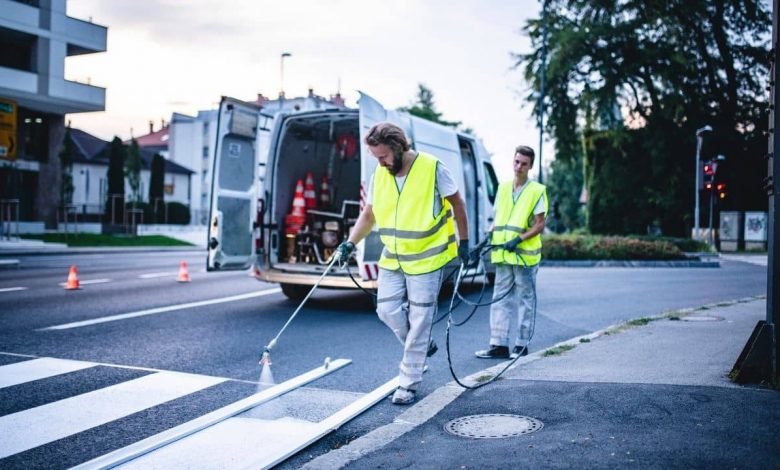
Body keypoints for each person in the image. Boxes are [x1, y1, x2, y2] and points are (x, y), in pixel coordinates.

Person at [336, 122, 470, 405]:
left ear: (398, 147)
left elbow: (457, 203)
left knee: (420, 321)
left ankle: (408, 383)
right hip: (394, 257)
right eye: (376, 157)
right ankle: (420, 347)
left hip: (427, 258)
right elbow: (369, 214)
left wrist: (465, 242)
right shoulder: (380, 174)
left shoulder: (433, 167)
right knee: (386, 310)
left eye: (383, 156)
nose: (380, 162)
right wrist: (350, 243)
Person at [475, 145, 547, 360]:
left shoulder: (537, 191)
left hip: (524, 256)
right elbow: (498, 219)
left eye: (524, 163)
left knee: (525, 299)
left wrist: (519, 239)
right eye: (516, 162)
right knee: (500, 299)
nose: (519, 167)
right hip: (503, 253)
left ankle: (522, 345)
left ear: (530, 166)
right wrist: (486, 239)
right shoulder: (503, 188)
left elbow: (540, 224)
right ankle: (498, 345)